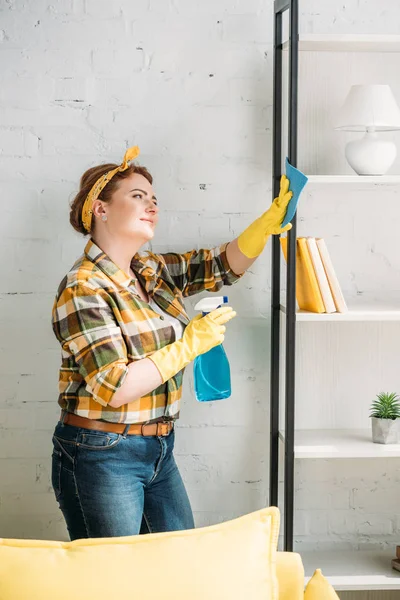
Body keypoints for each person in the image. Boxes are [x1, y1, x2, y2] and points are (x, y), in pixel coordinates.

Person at [51, 145, 292, 541]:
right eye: (138, 196)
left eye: (155, 199)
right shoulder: (83, 286)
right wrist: (187, 346)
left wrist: (265, 223)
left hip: (159, 449)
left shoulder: (151, 270)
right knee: (116, 581)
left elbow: (221, 265)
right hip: (100, 453)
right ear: (101, 209)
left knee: (177, 569)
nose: (152, 206)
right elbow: (114, 387)